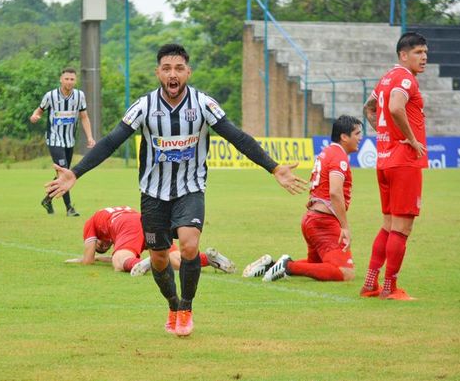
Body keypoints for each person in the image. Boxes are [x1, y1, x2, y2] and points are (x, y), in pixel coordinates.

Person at [46, 44, 307, 336]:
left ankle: (186, 308)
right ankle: (172, 305)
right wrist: (76, 172)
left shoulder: (204, 105)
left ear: (188, 72)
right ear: (158, 72)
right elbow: (111, 141)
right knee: (158, 257)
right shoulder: (144, 107)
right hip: (153, 194)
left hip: (190, 188)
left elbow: (237, 137)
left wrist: (273, 167)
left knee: (189, 245)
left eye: (179, 68)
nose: (173, 74)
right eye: (167, 69)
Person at [243, 115, 363, 283]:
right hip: (324, 222)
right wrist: (345, 227)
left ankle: (271, 266)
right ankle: (287, 267)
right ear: (344, 136)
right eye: (357, 133)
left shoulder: (327, 152)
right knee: (344, 272)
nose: (360, 138)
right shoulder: (338, 156)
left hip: (312, 219)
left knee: (317, 264)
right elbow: (335, 192)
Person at [359, 32, 429, 301]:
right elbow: (397, 107)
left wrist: (382, 132)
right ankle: (390, 288)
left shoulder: (387, 77)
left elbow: (369, 107)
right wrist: (410, 140)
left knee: (389, 225)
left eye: (425, 52)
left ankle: (369, 283)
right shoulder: (404, 78)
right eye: (418, 52)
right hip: (404, 162)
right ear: (403, 55)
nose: (423, 57)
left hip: (386, 159)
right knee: (402, 228)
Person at [64, 206, 236, 276]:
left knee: (118, 262)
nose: (101, 245)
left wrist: (81, 259)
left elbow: (88, 260)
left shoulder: (91, 223)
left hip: (127, 225)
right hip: (145, 218)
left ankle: (146, 264)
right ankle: (209, 259)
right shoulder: (110, 215)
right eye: (104, 247)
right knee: (175, 261)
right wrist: (101, 257)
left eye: (99, 245)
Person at [30, 67, 96, 217]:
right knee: (65, 171)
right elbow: (39, 111)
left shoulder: (79, 96)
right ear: (61, 79)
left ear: (75, 80)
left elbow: (84, 117)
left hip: (69, 140)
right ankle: (69, 208)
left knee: (65, 173)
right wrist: (35, 116)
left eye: (72, 79)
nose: (69, 81)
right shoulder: (51, 96)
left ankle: (47, 199)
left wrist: (90, 137)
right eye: (66, 79)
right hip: (54, 139)